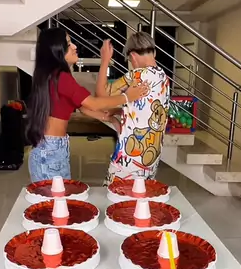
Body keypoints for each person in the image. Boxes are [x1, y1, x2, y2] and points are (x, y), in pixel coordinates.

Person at [26, 27, 150, 182]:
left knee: (60, 196)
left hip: (53, 148)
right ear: (57, 50)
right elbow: (93, 103)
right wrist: (127, 96)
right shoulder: (61, 77)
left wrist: (109, 117)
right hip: (50, 151)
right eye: (68, 44)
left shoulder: (55, 76)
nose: (74, 46)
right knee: (57, 197)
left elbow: (83, 108)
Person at [96, 30, 170, 184]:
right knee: (140, 193)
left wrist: (104, 61)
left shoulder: (136, 76)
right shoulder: (164, 78)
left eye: (129, 59)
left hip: (128, 159)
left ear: (133, 56)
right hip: (151, 159)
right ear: (154, 53)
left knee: (114, 193)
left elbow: (101, 95)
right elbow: (146, 109)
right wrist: (121, 110)